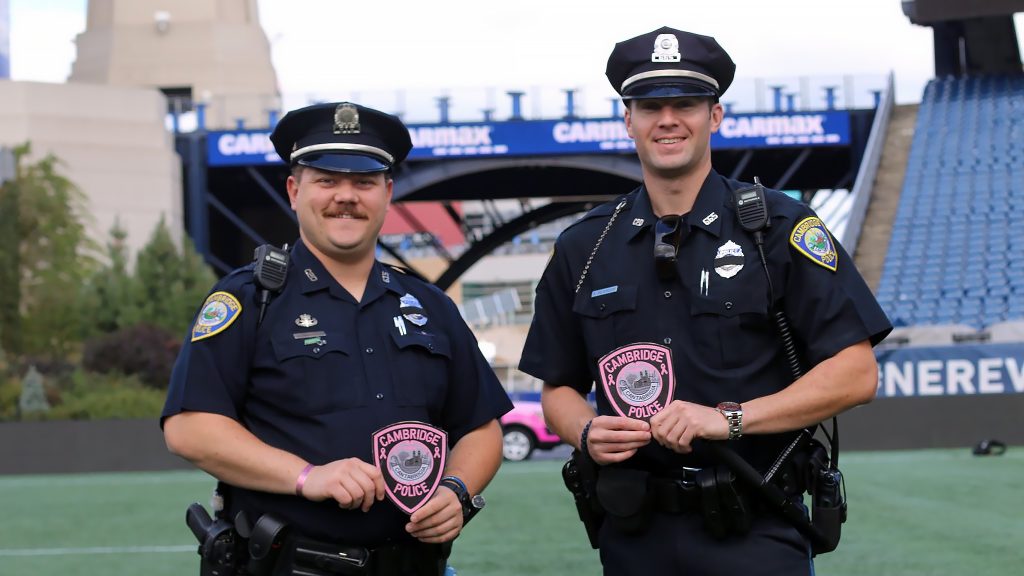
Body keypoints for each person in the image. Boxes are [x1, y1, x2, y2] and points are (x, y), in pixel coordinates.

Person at [519, 26, 892, 576]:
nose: (667, 119)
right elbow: (558, 387)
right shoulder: (585, 245)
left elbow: (857, 373)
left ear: (714, 115)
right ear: (628, 119)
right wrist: (586, 431)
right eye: (649, 105)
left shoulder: (781, 228)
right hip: (633, 533)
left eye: (686, 103)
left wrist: (730, 421)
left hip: (757, 526)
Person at [162, 101, 512, 576]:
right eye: (327, 180)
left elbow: (480, 427)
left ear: (387, 193)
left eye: (363, 182)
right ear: (293, 190)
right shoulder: (249, 298)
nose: (345, 196)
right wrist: (306, 477)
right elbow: (190, 428)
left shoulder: (429, 305)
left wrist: (457, 489)